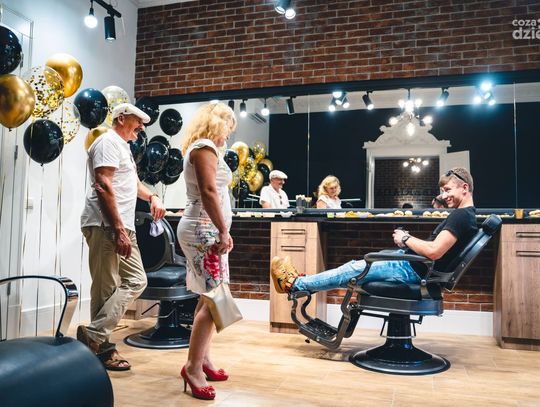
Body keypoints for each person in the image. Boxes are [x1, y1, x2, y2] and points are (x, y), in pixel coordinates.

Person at [271, 167, 477, 294]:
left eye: (448, 190)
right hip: (415, 266)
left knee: (352, 269)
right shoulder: (467, 216)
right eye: (443, 191)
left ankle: (294, 283)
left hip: (411, 270)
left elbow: (434, 251)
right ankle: (301, 281)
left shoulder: (460, 216)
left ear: (465, 188)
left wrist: (406, 238)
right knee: (354, 269)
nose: (444, 196)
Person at [79, 103, 166, 371]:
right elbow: (103, 184)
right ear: (120, 118)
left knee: (136, 280)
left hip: (122, 225)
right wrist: (117, 229)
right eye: (137, 120)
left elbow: (133, 184)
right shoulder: (107, 142)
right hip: (106, 224)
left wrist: (152, 196)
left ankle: (93, 335)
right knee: (105, 288)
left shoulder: (123, 147)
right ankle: (103, 350)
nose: (141, 126)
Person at [177, 102, 237, 400]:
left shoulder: (205, 148)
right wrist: (223, 230)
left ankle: (203, 360)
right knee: (215, 299)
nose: (229, 134)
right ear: (218, 123)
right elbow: (209, 191)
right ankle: (192, 368)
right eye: (229, 127)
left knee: (208, 298)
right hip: (204, 231)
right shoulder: (204, 147)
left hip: (206, 229)